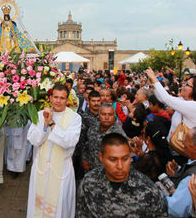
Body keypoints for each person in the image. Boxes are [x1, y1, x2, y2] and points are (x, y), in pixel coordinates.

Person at [77, 133, 168, 217]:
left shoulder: (148, 189)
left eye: (125, 159)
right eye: (113, 159)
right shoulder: (89, 183)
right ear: (101, 157)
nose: (120, 166)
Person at [27, 83, 81, 218]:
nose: (58, 101)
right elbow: (33, 140)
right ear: (50, 98)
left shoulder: (75, 118)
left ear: (67, 100)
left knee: (59, 206)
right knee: (38, 205)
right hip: (41, 168)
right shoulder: (40, 115)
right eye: (55, 97)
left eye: (62, 98)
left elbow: (69, 142)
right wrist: (44, 125)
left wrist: (52, 124)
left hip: (61, 170)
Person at [82, 103, 126, 171]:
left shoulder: (118, 134)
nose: (107, 117)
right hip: (92, 171)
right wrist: (85, 160)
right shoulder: (93, 128)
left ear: (114, 116)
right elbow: (87, 144)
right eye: (104, 114)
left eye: (110, 115)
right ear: (99, 115)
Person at [165, 128, 196, 217]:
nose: (183, 143)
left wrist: (156, 194)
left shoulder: (191, 178)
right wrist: (178, 170)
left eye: (186, 140)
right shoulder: (191, 163)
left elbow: (175, 209)